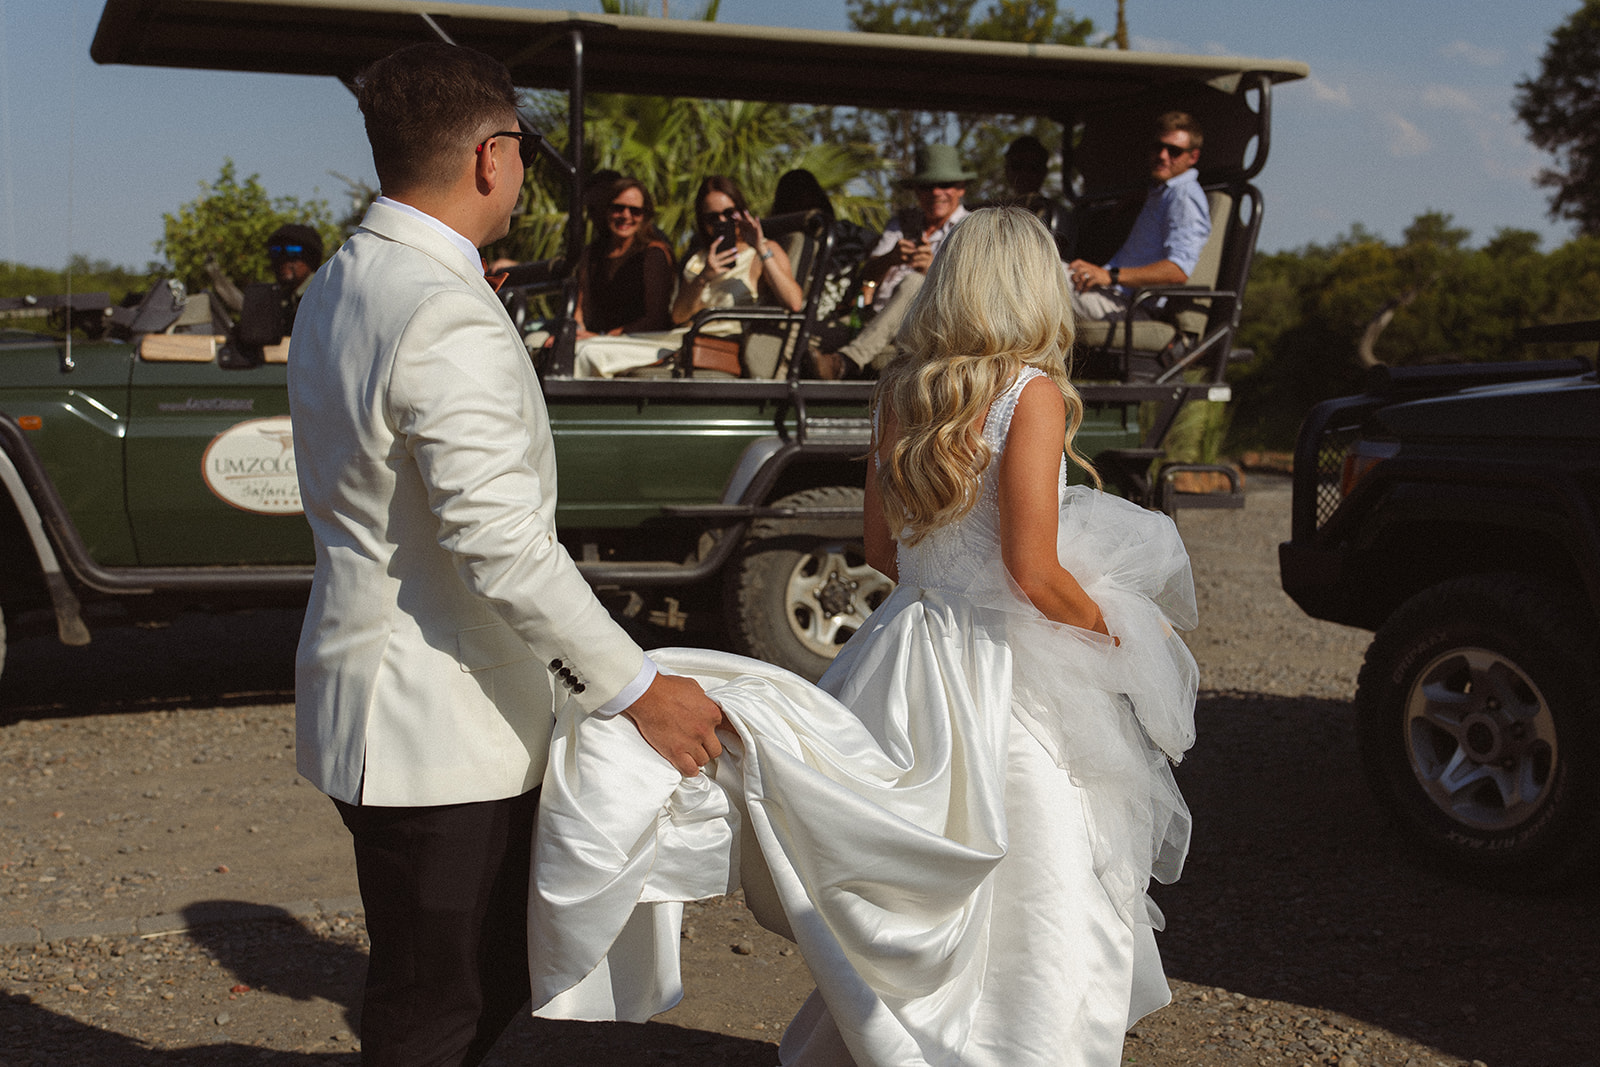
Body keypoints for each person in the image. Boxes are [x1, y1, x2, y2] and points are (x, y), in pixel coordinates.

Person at [529, 207, 1200, 1066]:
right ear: (1032, 287)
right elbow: (1033, 571)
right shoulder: (1028, 392)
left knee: (921, 873)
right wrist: (1112, 628)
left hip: (907, 651)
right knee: (1034, 866)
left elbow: (883, 551)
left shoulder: (902, 390)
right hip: (1001, 668)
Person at [286, 41, 724, 1067]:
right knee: (441, 1010)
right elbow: (501, 544)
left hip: (372, 697)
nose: (524, 175)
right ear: (492, 155)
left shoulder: (344, 280)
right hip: (442, 724)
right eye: (524, 152)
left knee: (438, 991)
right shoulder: (442, 305)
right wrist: (634, 685)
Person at [571, 174, 803, 378]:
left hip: (720, 345)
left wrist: (761, 248)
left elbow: (793, 302)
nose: (721, 222)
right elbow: (679, 315)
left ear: (742, 212)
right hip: (683, 339)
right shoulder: (699, 259)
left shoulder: (763, 252)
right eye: (712, 218)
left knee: (589, 354)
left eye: (729, 214)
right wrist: (704, 276)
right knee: (578, 349)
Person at [807, 143, 972, 380]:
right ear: (916, 190)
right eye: (927, 186)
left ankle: (848, 361)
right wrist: (891, 258)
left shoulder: (970, 228)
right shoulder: (901, 223)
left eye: (944, 185)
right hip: (874, 317)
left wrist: (932, 271)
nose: (936, 192)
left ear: (960, 188)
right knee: (805, 335)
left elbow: (971, 294)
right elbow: (868, 277)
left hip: (929, 324)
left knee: (915, 282)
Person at [1066, 111, 1210, 321]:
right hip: (1114, 294)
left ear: (1193, 157)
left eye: (1174, 151)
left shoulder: (1184, 196)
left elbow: (1178, 271)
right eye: (1157, 147)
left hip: (1133, 307)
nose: (1162, 156)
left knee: (1040, 275)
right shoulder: (1161, 192)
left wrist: (1110, 276)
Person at [572, 177, 675, 338]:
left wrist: (604, 339)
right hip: (596, 338)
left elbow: (656, 318)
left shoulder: (653, 254)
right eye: (618, 208)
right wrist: (573, 332)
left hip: (637, 340)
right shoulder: (591, 254)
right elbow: (580, 309)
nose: (626, 216)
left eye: (635, 211)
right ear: (607, 210)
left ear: (644, 216)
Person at [1001, 134, 1073, 254]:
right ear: (1006, 169)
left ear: (1044, 171)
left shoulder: (1055, 214)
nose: (1024, 173)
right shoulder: (996, 211)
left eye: (1033, 167)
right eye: (1017, 166)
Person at [265, 222, 324, 333]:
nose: (283, 260)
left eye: (292, 251)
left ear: (311, 257)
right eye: (275, 251)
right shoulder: (281, 300)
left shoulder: (323, 294)